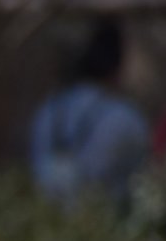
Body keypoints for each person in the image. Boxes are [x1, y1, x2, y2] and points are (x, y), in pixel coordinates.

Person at [29, 19, 149, 207]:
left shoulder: (50, 109)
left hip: (46, 221)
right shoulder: (124, 117)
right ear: (117, 66)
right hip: (102, 224)